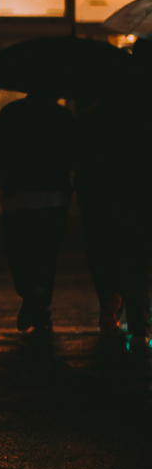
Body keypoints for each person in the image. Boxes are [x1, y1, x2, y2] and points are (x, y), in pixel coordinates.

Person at [0, 93, 73, 336]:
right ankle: (40, 303)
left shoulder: (10, 113)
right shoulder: (63, 116)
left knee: (19, 252)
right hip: (55, 195)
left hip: (18, 195)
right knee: (47, 254)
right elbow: (75, 154)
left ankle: (30, 295)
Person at [74, 89, 152, 349]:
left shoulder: (98, 119)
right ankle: (139, 325)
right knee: (139, 259)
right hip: (140, 191)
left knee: (109, 251)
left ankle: (112, 297)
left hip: (110, 194)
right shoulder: (138, 110)